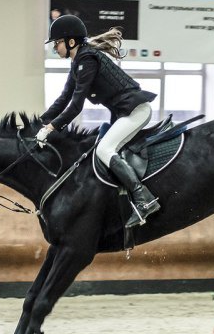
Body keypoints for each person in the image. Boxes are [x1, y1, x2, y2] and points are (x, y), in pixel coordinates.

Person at [38, 15, 160, 228]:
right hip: (125, 113)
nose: (55, 47)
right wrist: (40, 122)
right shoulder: (79, 62)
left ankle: (144, 199)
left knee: (105, 149)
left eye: (57, 42)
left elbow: (76, 106)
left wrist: (51, 127)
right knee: (99, 148)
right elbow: (63, 99)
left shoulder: (88, 60)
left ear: (71, 42)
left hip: (136, 111)